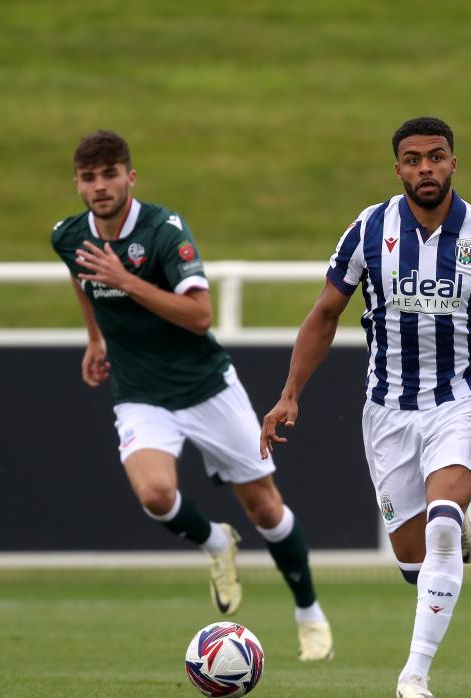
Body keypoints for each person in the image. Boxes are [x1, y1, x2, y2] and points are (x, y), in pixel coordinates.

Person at [260, 116, 471, 698]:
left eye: (436, 157)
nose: (425, 169)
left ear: (454, 162)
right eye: (413, 160)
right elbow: (326, 314)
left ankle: (414, 675)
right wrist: (290, 393)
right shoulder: (368, 230)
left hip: (459, 403)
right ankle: (451, 529)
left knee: (439, 530)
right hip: (387, 413)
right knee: (415, 565)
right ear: (398, 169)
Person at [51, 130, 333, 662]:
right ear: (78, 184)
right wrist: (95, 337)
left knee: (266, 509)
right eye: (89, 178)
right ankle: (214, 543)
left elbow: (201, 314)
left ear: (130, 177)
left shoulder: (163, 231)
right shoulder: (68, 236)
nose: (100, 186)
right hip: (139, 392)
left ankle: (309, 613)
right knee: (155, 494)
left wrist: (127, 280)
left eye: (110, 174)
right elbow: (80, 276)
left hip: (206, 386)